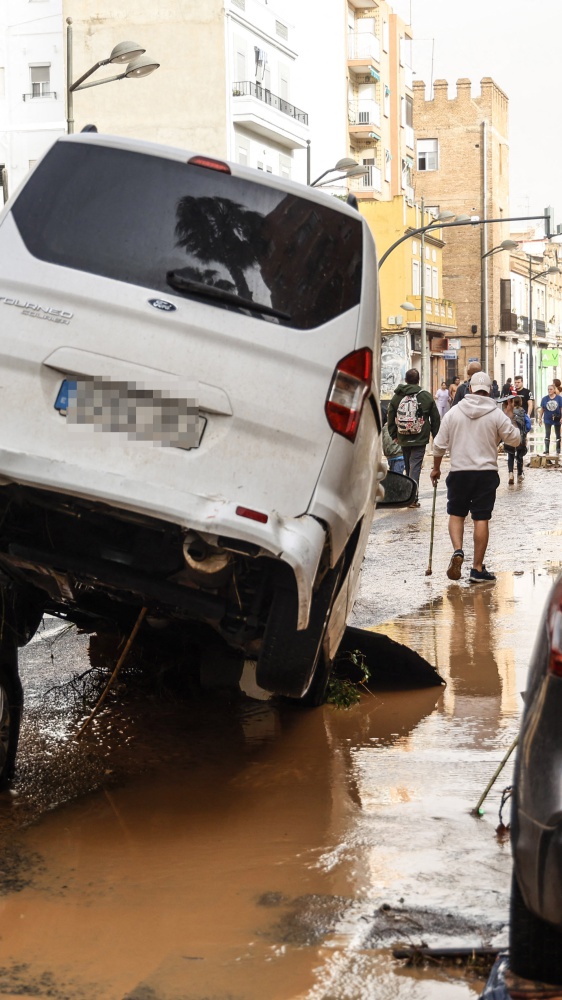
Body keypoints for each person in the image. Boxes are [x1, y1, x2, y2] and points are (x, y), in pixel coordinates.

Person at [430, 370, 520, 583]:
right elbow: (515, 440)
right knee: (481, 518)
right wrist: (510, 416)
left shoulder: (453, 413)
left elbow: (439, 445)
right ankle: (477, 569)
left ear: (469, 389)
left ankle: (458, 551)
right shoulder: (496, 414)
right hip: (485, 474)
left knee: (456, 514)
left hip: (459, 472)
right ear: (489, 391)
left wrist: (435, 469)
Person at [387, 368, 440, 508]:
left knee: (409, 466)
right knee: (415, 467)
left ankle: (409, 494)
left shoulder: (397, 397)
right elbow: (435, 419)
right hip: (420, 438)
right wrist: (436, 437)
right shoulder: (426, 397)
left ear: (406, 380)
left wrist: (394, 435)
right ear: (418, 380)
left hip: (403, 437)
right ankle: (412, 498)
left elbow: (390, 417)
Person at [504, 395, 527, 483]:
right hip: (520, 437)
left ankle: (510, 473)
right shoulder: (523, 412)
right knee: (519, 456)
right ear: (521, 402)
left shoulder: (508, 412)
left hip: (510, 436)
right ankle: (520, 474)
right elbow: (527, 425)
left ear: (513, 403)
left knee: (510, 455)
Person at [538, 383, 562, 455]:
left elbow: (561, 408)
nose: (549, 391)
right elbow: (542, 409)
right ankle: (546, 450)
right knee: (547, 433)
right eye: (548, 389)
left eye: (551, 389)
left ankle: (558, 450)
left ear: (554, 390)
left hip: (557, 418)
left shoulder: (559, 398)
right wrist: (540, 418)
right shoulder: (544, 399)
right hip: (547, 418)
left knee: (558, 434)